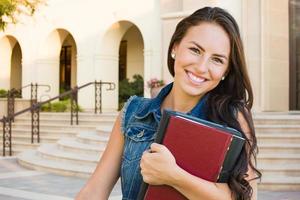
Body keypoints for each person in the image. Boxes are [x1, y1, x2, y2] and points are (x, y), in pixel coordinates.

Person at [76, 7, 261, 200]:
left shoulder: (233, 117)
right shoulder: (133, 112)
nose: (201, 67)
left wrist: (174, 176)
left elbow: (247, 196)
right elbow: (94, 191)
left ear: (226, 70)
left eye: (217, 59)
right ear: (175, 48)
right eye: (195, 50)